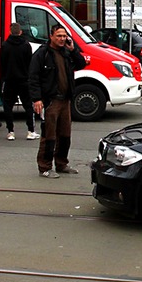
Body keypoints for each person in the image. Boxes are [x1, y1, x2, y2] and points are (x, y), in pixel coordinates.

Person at [28, 25, 88, 178]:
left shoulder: (67, 52)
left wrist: (73, 49)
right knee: (49, 136)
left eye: (64, 36)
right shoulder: (43, 53)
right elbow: (33, 77)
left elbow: (81, 63)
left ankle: (61, 164)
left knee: (65, 135)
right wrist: (37, 99)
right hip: (51, 101)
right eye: (59, 36)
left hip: (65, 100)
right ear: (51, 36)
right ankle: (45, 167)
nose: (62, 39)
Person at [0, 22, 37, 141]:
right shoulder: (26, 45)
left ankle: (10, 131)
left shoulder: (5, 45)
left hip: (10, 80)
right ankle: (30, 131)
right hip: (24, 80)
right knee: (28, 106)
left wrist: (3, 79)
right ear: (20, 32)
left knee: (8, 106)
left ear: (10, 31)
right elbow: (30, 63)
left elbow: (2, 64)